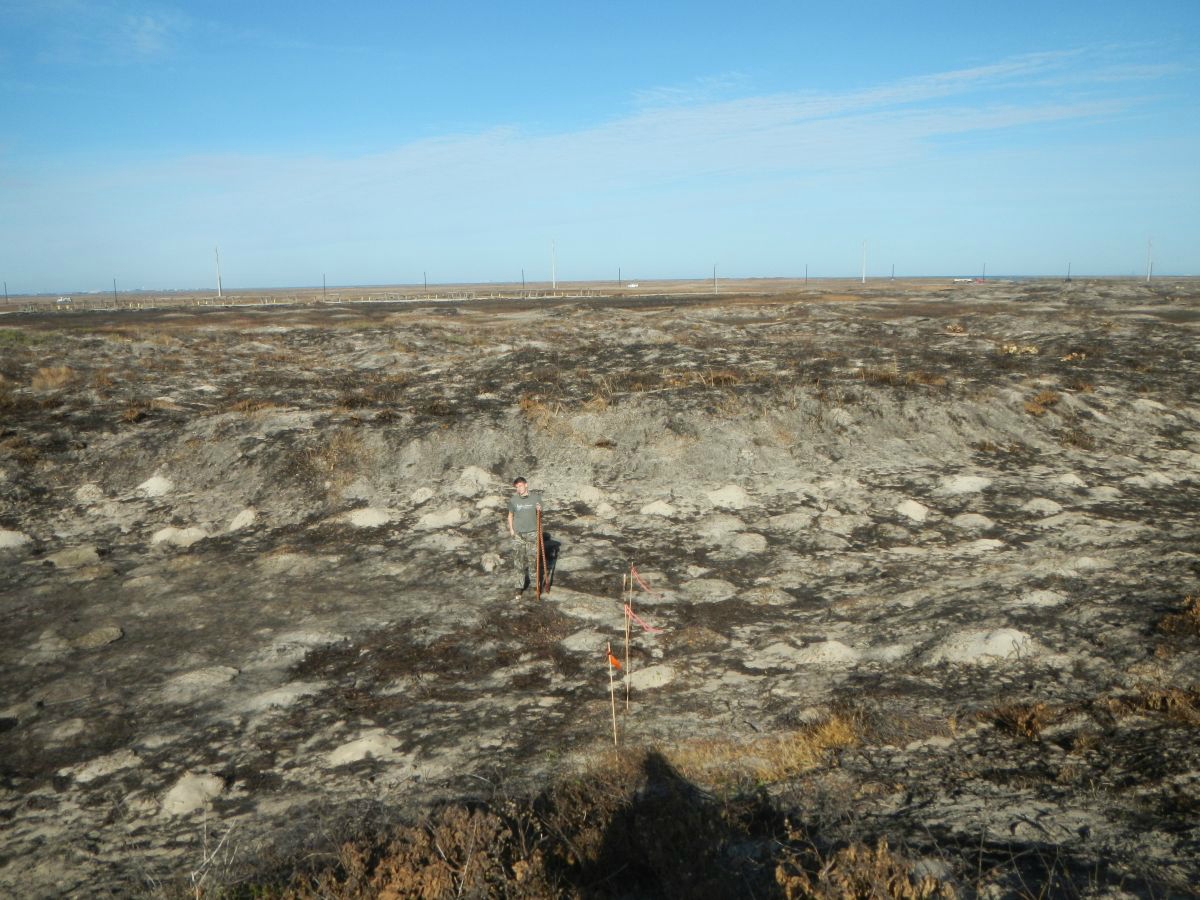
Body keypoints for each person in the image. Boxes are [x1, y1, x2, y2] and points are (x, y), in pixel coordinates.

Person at [507, 477, 543, 600]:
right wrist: (511, 530)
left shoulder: (536, 498)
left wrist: (539, 509)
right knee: (518, 561)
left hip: (533, 533)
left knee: (533, 561)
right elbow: (510, 515)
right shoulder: (513, 500)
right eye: (516, 487)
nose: (519, 489)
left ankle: (534, 585)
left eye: (520, 486)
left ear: (526, 485)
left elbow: (540, 512)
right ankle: (519, 587)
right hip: (518, 535)